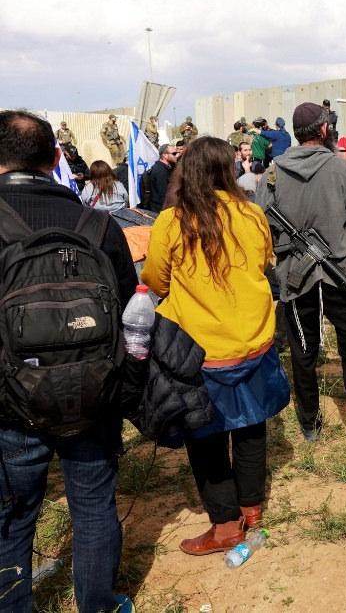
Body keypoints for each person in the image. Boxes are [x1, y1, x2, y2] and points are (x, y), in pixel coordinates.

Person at [0, 110, 137, 612]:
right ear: (57, 159)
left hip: (10, 402)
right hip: (94, 394)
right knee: (95, 508)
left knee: (13, 516)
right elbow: (127, 307)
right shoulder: (97, 224)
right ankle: (97, 605)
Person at [141, 136, 289, 556]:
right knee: (250, 426)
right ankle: (252, 509)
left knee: (205, 438)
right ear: (228, 168)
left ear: (186, 172)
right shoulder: (252, 213)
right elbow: (263, 263)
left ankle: (226, 525)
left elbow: (155, 279)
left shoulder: (172, 221)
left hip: (200, 350)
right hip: (254, 340)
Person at [256, 102, 346, 446]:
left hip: (296, 278)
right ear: (324, 130)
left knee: (303, 350)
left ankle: (309, 422)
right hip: (342, 275)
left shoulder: (273, 174)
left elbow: (260, 228)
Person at [149, 142, 181, 211]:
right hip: (161, 210)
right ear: (165, 155)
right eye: (174, 154)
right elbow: (164, 195)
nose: (177, 155)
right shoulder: (160, 171)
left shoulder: (166, 168)